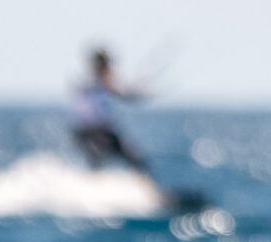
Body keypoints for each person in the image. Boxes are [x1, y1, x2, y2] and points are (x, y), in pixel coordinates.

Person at [69, 48, 205, 212]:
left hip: (96, 133)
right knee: (109, 162)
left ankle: (153, 196)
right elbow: (116, 96)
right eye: (106, 64)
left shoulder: (96, 84)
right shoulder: (95, 84)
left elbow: (121, 95)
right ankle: (93, 195)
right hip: (93, 133)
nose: (110, 67)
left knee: (130, 161)